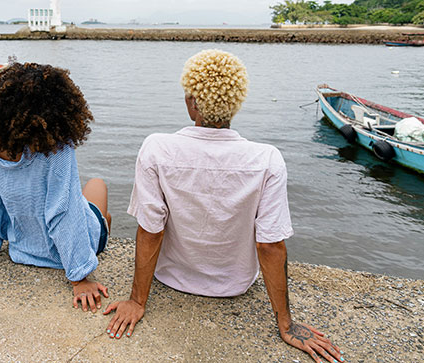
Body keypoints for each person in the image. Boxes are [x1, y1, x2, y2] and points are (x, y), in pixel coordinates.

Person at [103, 50, 342, 363]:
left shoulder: (156, 148)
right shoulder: (266, 159)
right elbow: (269, 244)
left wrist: (137, 301)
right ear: (235, 103)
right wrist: (286, 324)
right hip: (235, 284)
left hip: (170, 277)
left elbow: (151, 229)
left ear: (191, 101)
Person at [0, 62, 111, 313]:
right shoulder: (57, 148)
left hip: (22, 250)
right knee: (97, 185)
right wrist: (79, 277)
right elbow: (64, 212)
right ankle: (104, 225)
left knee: (84, 201)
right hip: (67, 253)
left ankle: (102, 223)